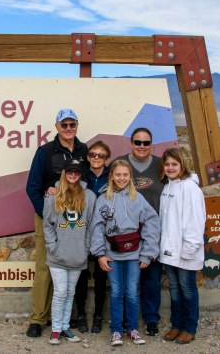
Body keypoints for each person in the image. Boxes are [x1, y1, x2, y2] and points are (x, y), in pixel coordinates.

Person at [25, 108, 89, 338]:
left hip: (75, 220)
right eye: (64, 125)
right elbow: (32, 187)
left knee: (72, 265)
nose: (68, 128)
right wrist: (46, 214)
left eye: (72, 124)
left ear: (77, 126)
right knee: (45, 266)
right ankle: (38, 319)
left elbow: (88, 182)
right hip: (50, 219)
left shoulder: (84, 150)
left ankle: (64, 318)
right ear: (57, 127)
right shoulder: (45, 152)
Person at [89, 159, 160, 346]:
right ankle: (116, 331)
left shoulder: (138, 198)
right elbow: (97, 227)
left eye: (125, 175)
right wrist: (99, 254)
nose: (121, 178)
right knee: (116, 292)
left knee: (131, 291)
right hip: (111, 254)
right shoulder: (103, 199)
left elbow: (151, 222)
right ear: (111, 177)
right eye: (118, 174)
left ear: (130, 177)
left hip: (134, 254)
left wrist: (148, 253)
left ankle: (132, 328)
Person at [115, 127, 165, 336]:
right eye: (138, 142)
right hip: (126, 233)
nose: (142, 146)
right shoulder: (120, 165)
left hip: (153, 230)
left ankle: (151, 318)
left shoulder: (161, 166)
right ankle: (125, 320)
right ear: (131, 143)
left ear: (151, 144)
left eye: (146, 143)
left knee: (151, 278)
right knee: (126, 281)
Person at [43, 159, 96, 345]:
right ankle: (56, 330)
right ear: (64, 173)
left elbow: (91, 225)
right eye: (70, 171)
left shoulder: (89, 196)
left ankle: (65, 328)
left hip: (78, 254)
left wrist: (86, 248)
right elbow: (47, 224)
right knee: (60, 292)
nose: (73, 175)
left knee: (70, 292)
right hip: (57, 254)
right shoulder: (53, 195)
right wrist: (52, 245)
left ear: (81, 174)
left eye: (77, 172)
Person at [159, 148, 206, 345]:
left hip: (185, 252)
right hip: (169, 252)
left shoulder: (190, 188)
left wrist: (188, 250)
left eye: (174, 164)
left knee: (187, 290)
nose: (170, 168)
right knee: (175, 290)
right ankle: (176, 325)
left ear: (182, 165)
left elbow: (195, 222)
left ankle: (189, 327)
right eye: (167, 164)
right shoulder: (168, 187)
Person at [72, 140, 111, 334]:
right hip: (82, 230)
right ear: (87, 157)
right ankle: (80, 315)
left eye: (101, 155)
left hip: (104, 232)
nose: (96, 158)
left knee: (101, 276)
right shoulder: (80, 174)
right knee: (81, 274)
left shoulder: (111, 176)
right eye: (93, 154)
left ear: (107, 158)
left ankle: (97, 316)